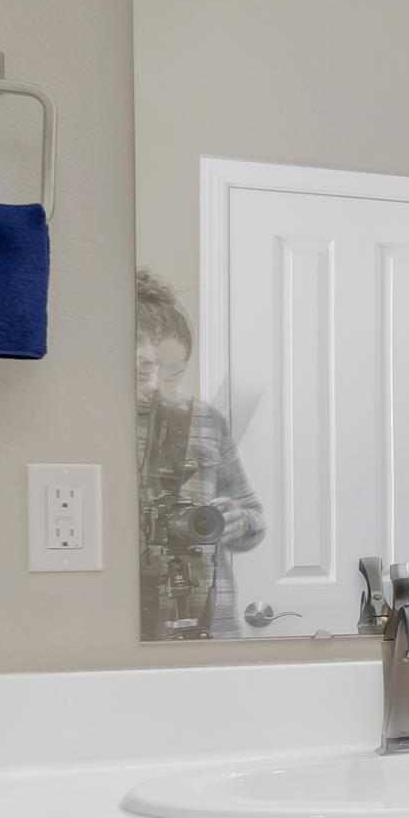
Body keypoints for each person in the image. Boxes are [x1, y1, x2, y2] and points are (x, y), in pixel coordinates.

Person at [133, 268, 266, 639]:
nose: (157, 387)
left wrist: (239, 521)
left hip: (212, 632)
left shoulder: (205, 420)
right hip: (128, 635)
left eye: (172, 373)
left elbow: (255, 520)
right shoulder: (88, 424)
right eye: (144, 370)